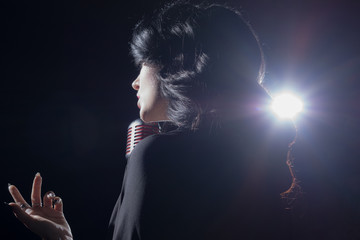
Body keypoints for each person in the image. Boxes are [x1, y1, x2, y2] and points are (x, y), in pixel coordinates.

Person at [7, 1, 296, 239]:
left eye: (144, 63)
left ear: (174, 67)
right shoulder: (253, 171)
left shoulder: (156, 155)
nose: (135, 82)